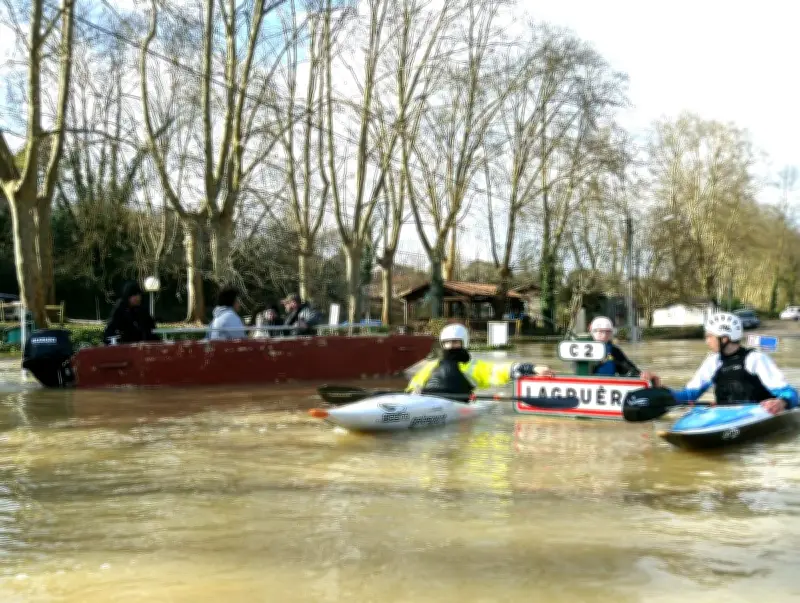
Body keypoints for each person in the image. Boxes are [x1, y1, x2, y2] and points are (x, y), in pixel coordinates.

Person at [670, 311, 798, 415]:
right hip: (725, 415)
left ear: (724, 338)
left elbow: (790, 393)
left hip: (758, 414)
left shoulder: (756, 358)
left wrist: (782, 402)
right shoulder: (713, 362)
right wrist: (664, 393)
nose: (706, 341)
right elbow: (689, 395)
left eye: (709, 336)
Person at [407, 322, 555, 397]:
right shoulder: (432, 365)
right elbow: (414, 385)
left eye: (455, 342)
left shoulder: (474, 366)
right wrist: (412, 392)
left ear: (463, 343)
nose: (451, 345)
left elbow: (501, 370)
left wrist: (531, 368)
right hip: (428, 400)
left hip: (457, 404)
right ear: (442, 344)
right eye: (447, 342)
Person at [588, 316, 661, 385]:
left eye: (608, 332)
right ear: (592, 331)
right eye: (600, 331)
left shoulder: (614, 351)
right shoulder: (580, 350)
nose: (604, 335)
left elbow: (629, 369)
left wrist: (645, 375)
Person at [103, 280, 160, 345]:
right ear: (128, 296)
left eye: (139, 295)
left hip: (143, 345)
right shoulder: (120, 308)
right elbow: (110, 329)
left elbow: (151, 328)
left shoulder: (142, 309)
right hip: (125, 345)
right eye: (134, 295)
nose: (138, 298)